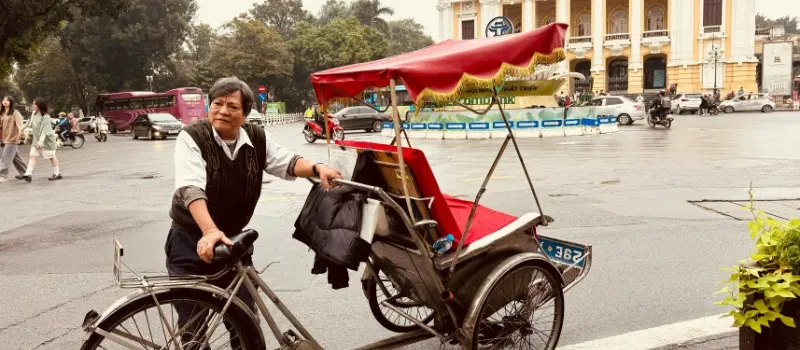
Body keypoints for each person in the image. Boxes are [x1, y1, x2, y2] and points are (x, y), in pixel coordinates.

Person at [167, 76, 341, 344]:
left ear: (245, 113)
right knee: (193, 324)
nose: (223, 111)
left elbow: (288, 162)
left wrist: (318, 168)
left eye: (232, 106)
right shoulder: (192, 137)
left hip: (232, 241)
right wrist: (210, 230)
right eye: (217, 103)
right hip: (191, 241)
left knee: (245, 318)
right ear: (208, 106)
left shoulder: (257, 137)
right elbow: (190, 188)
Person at [16, 98, 61, 182]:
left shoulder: (46, 117)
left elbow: (45, 130)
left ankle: (57, 173)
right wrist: (21, 129)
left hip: (47, 141)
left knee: (51, 157)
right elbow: (29, 122)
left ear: (39, 106)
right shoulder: (34, 114)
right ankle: (28, 174)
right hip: (36, 140)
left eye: (34, 104)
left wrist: (41, 140)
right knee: (33, 156)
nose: (32, 105)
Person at [0, 96, 26, 181]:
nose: (5, 101)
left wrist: (18, 138)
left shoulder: (15, 113)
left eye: (7, 100)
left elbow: (20, 127)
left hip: (13, 139)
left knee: (6, 157)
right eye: (4, 100)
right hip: (6, 138)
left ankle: (3, 176)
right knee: (16, 158)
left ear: (11, 102)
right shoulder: (3, 113)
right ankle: (26, 173)